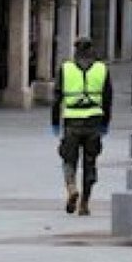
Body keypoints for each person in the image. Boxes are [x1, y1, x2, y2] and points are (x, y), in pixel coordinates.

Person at [51, 36, 112, 216]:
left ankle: (71, 188)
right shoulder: (102, 69)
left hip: (72, 122)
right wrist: (105, 123)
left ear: (75, 50)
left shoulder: (65, 69)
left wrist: (55, 123)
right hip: (94, 122)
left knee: (68, 158)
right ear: (92, 50)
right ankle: (84, 203)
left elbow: (56, 99)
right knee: (90, 162)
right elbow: (108, 100)